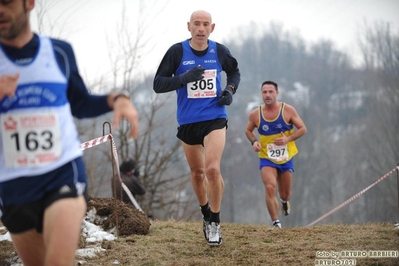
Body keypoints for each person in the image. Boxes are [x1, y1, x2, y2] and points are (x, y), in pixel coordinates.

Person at [0, 0, 139, 265]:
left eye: (6, 2)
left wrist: (116, 99)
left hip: (62, 174)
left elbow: (81, 103)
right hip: (13, 186)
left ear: (29, 3)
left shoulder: (58, 52)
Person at [153, 10, 240, 246]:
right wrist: (184, 78)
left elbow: (234, 71)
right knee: (198, 173)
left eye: (206, 24)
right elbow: (158, 84)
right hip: (189, 121)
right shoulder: (177, 51)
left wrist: (229, 91)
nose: (201, 28)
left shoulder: (219, 51)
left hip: (215, 117)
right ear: (189, 26)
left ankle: (215, 222)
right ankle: (205, 214)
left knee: (212, 169)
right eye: (197, 24)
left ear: (212, 28)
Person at [245, 81, 307, 228]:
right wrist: (254, 142)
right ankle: (276, 222)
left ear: (277, 93)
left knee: (285, 194)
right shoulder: (255, 114)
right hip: (267, 157)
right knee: (270, 187)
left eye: (270, 92)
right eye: (264, 92)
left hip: (286, 157)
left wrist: (288, 139)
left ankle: (284, 202)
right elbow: (248, 131)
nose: (267, 95)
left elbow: (303, 128)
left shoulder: (288, 110)